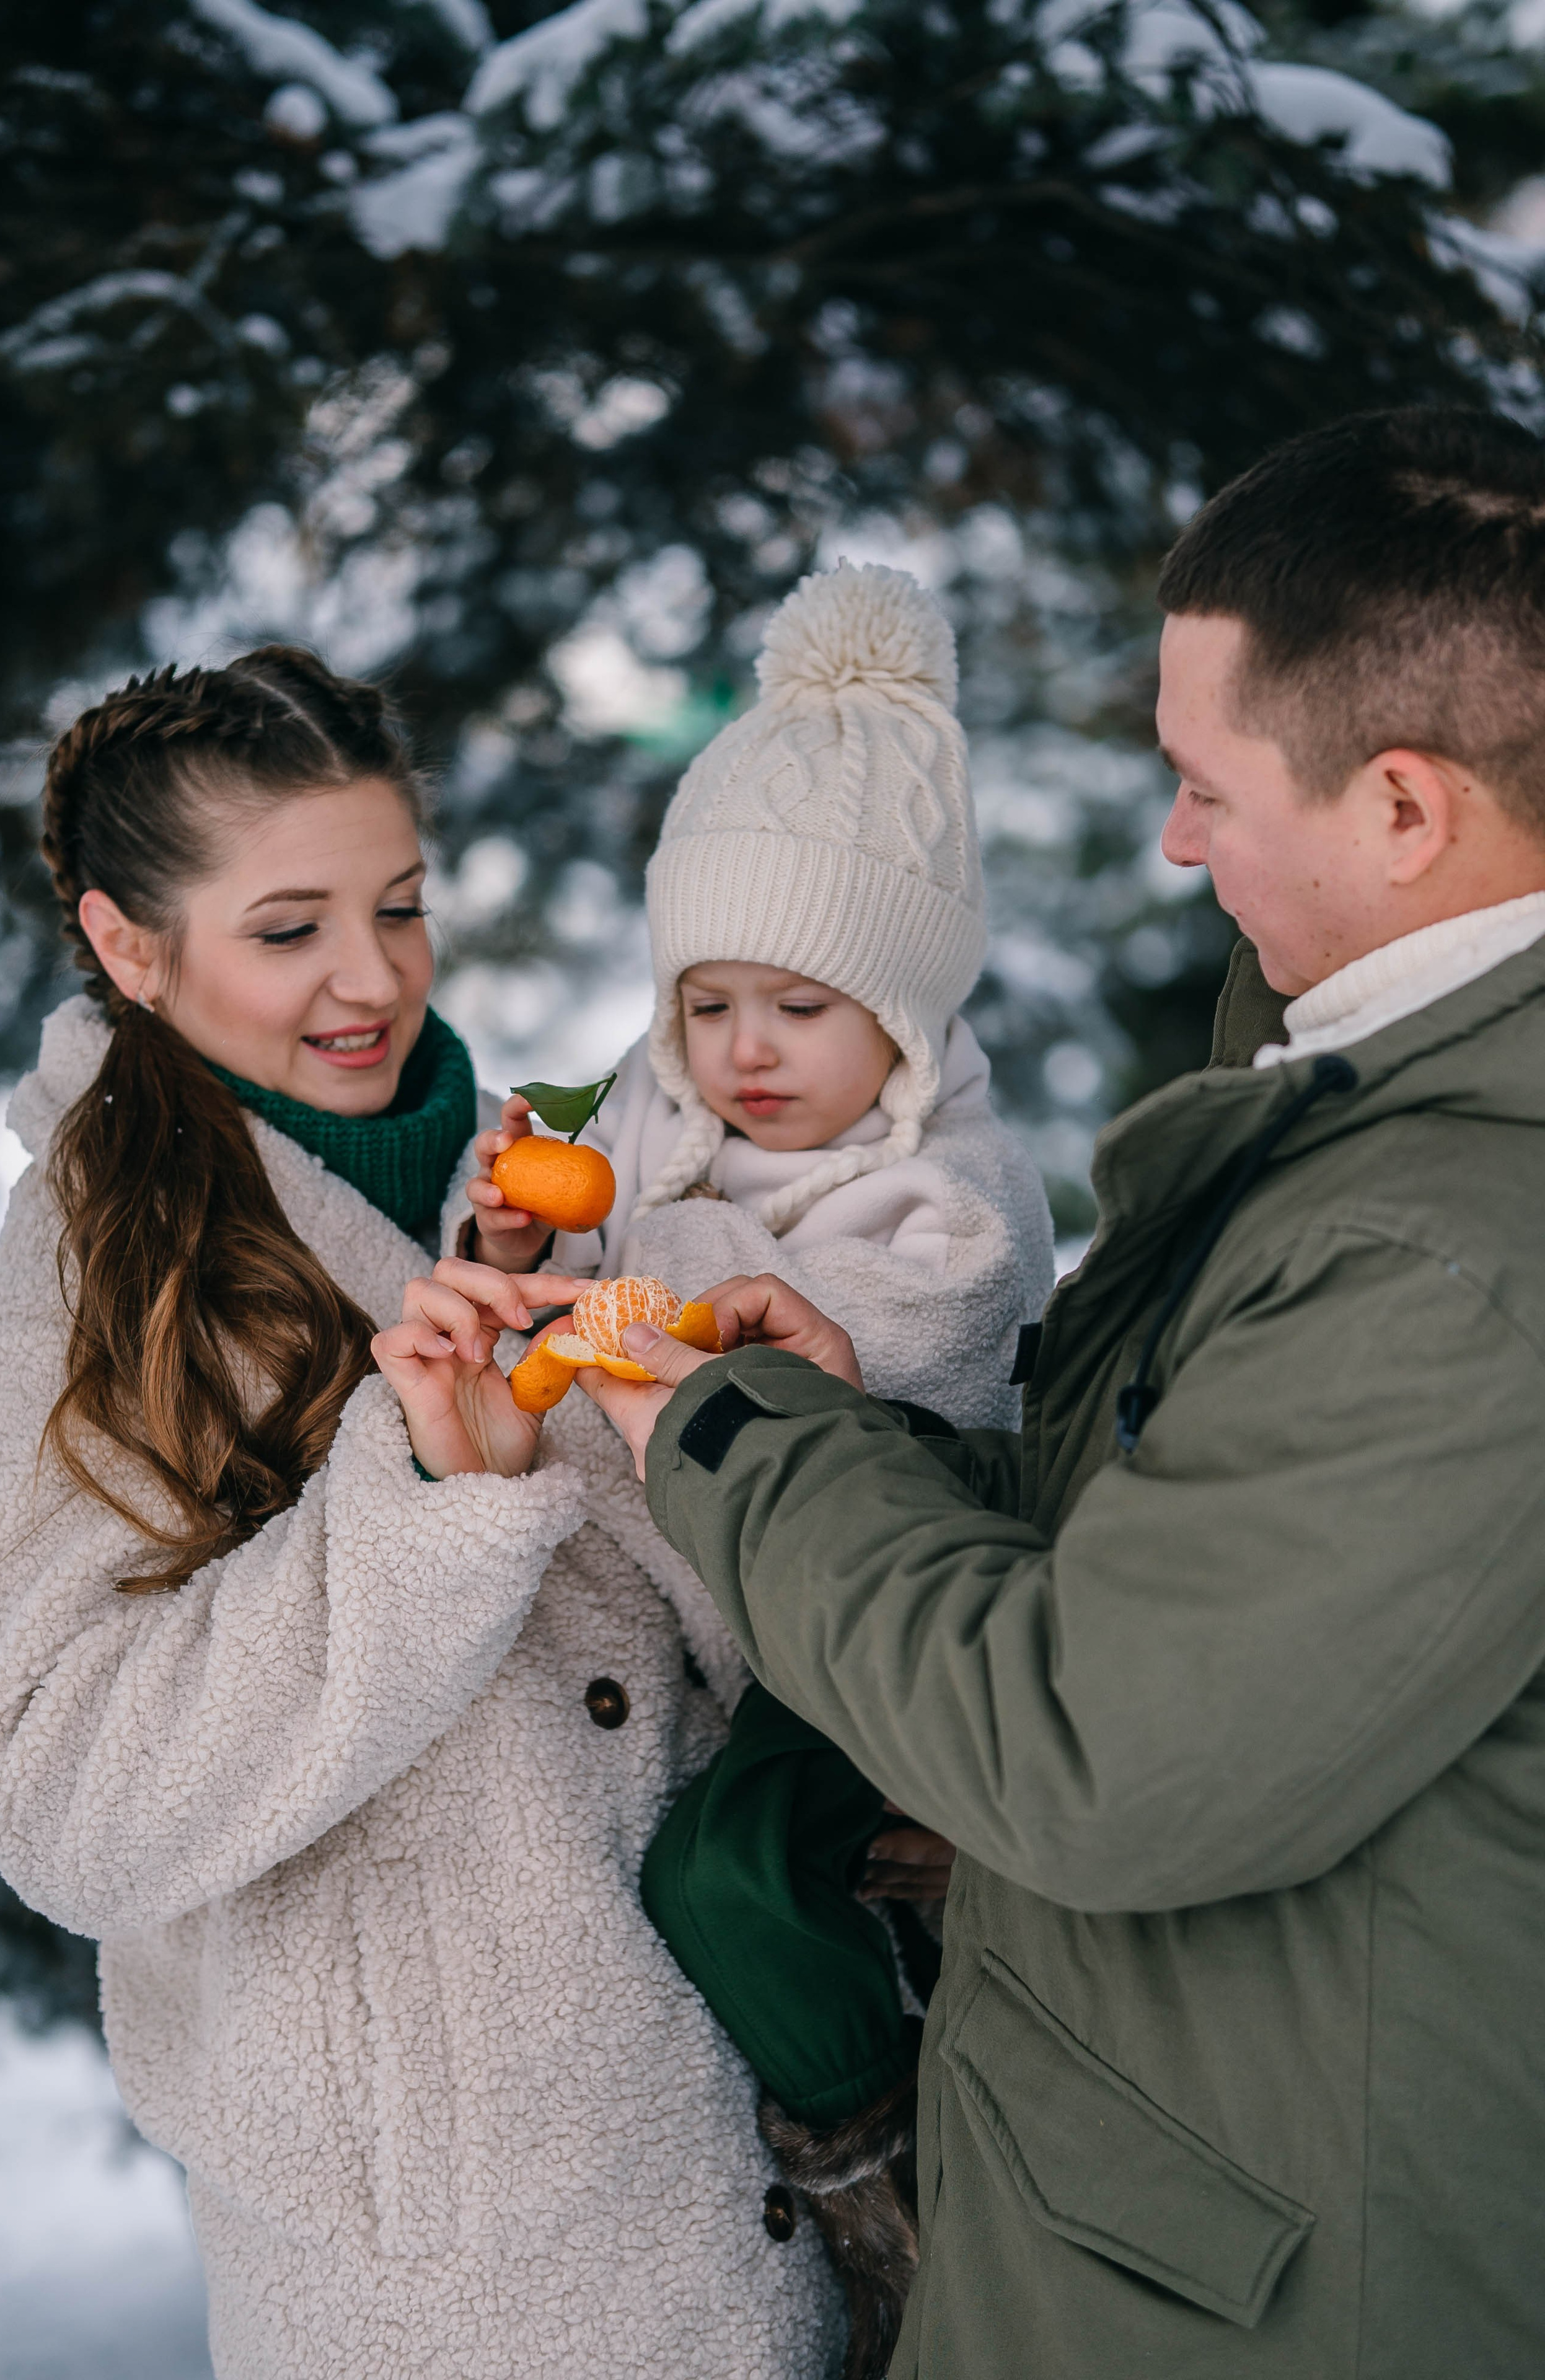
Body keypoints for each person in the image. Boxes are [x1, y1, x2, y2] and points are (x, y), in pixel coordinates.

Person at [566, 407, 1545, 2378]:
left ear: (1409, 810)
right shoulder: (1371, 1121)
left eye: (1208, 786)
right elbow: (1215, 1546)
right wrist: (873, 1434)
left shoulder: (1452, 1246)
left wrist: (731, 1446)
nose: (1175, 842)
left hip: (1258, 2301)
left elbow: (1095, 1752)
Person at [0, 647, 845, 2379]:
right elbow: (62, 1793)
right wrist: (428, 1501)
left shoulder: (521, 1184)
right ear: (131, 946)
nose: (370, 979)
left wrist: (759, 1417)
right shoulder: (87, 1292)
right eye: (289, 931)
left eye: (403, 905)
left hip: (744, 2166)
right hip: (463, 2274)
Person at [465, 560, 1054, 2379]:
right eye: (706, 1003)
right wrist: (516, 1223)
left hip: (877, 1626)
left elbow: (906, 1335)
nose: (744, 1052)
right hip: (726, 1622)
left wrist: (690, 1293)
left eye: (799, 1007)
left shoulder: (946, 1188)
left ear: (903, 1012)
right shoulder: (658, 1119)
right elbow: (567, 1271)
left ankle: (893, 2178)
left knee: (729, 1875)